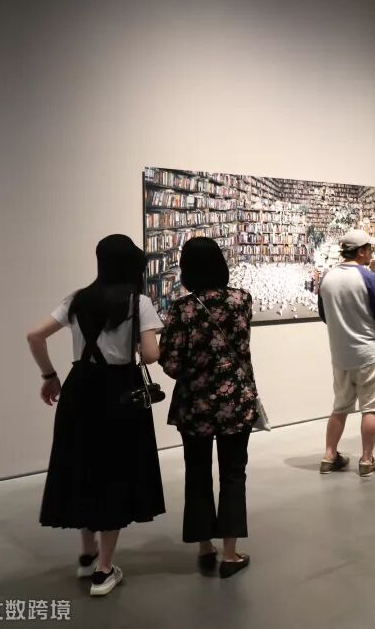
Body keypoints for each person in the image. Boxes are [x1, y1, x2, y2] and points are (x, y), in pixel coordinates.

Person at [26, 235, 165, 597]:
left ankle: (87, 553)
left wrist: (49, 375)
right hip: (120, 391)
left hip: (80, 388)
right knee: (115, 472)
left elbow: (34, 335)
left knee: (82, 464)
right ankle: (104, 570)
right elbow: (151, 355)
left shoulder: (77, 299)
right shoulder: (139, 302)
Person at [159, 237, 259, 578]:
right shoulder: (241, 300)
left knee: (197, 472)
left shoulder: (181, 309)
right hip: (235, 401)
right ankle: (230, 553)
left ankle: (204, 545)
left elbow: (171, 364)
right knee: (233, 473)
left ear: (186, 269)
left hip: (195, 404)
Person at [318, 229, 375, 477]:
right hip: (369, 354)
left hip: (340, 355)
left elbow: (324, 316)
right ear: (361, 251)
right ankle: (367, 460)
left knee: (340, 407)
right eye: (369, 249)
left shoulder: (327, 278)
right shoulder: (369, 278)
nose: (371, 253)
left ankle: (329, 456)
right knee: (370, 408)